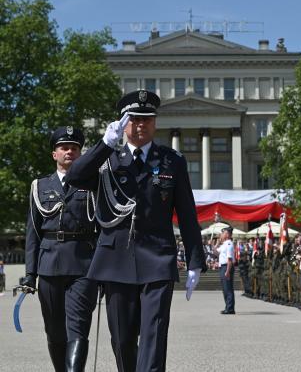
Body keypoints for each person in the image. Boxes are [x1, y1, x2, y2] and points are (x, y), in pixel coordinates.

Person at [65, 90, 206, 372]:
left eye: (147, 119)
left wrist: (195, 261)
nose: (141, 125)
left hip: (157, 258)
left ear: (155, 123)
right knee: (122, 339)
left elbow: (188, 214)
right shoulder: (107, 159)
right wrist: (104, 144)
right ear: (123, 123)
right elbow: (74, 177)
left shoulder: (172, 161)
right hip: (115, 260)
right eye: (134, 119)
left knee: (154, 333)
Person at [23, 127, 98, 371]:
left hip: (83, 266)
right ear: (54, 154)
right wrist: (30, 274)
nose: (70, 152)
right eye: (64, 148)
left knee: (78, 328)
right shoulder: (40, 186)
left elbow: (102, 229)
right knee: (55, 332)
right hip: (49, 264)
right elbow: (33, 232)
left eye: (75, 148)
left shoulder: (94, 184)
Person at [216, 226, 235, 314]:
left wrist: (227, 271)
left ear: (227, 234)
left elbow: (229, 260)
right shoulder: (224, 244)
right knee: (225, 288)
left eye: (223, 233)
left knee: (228, 288)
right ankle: (227, 307)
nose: (221, 235)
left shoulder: (229, 244)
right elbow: (215, 252)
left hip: (226, 267)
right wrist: (216, 243)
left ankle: (230, 308)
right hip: (222, 267)